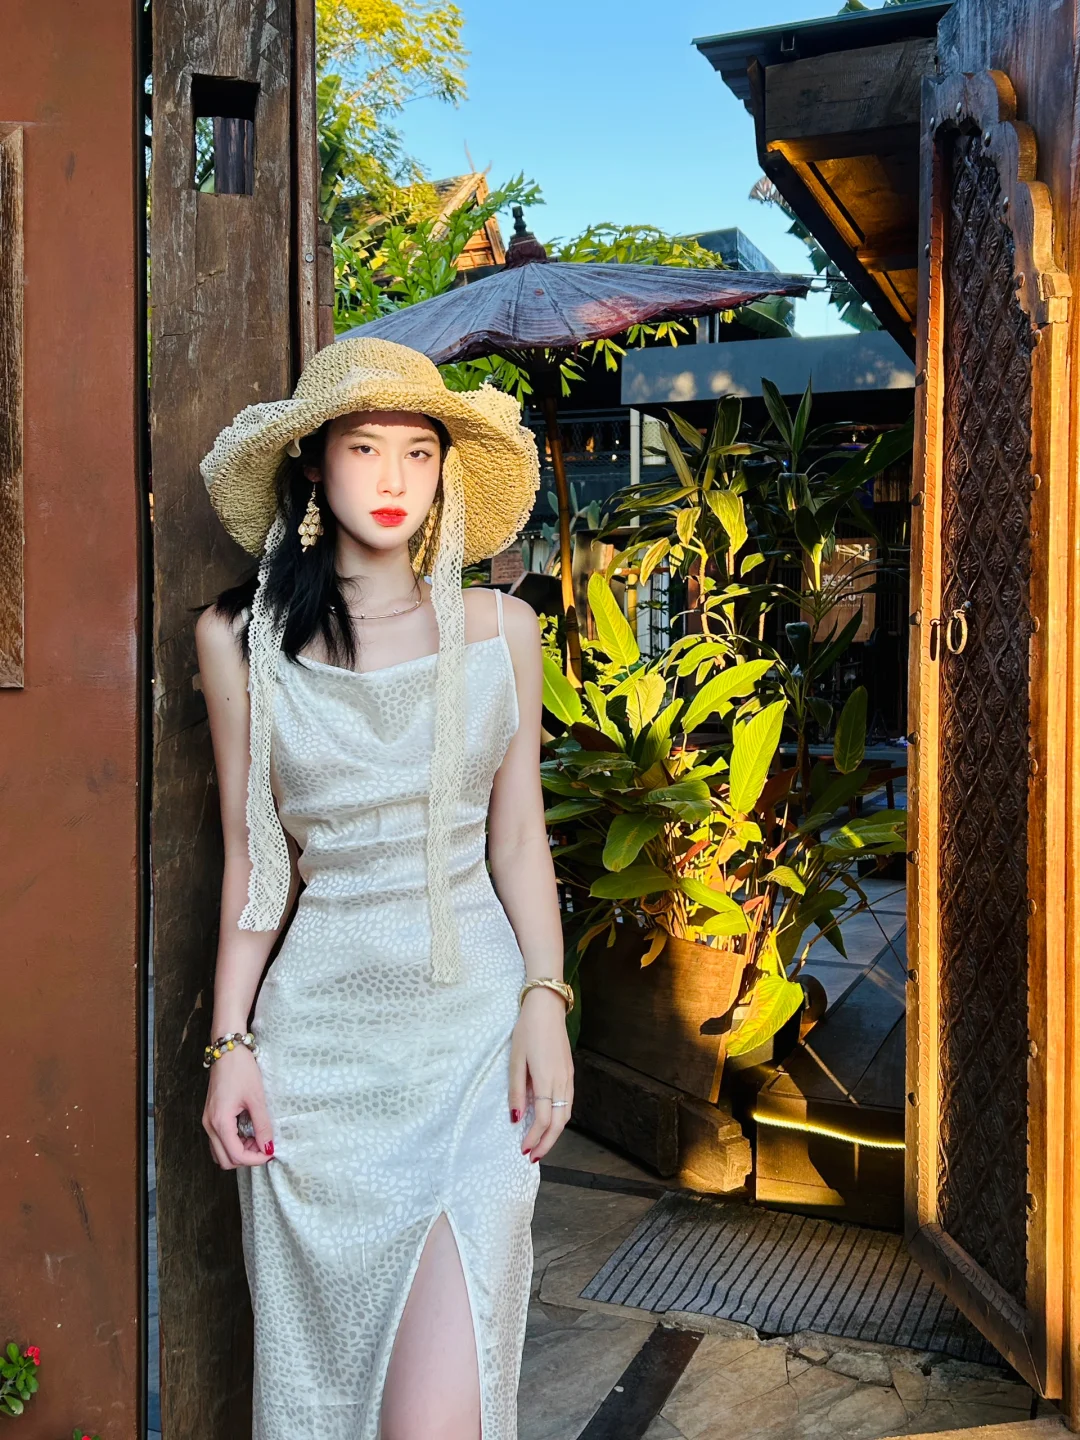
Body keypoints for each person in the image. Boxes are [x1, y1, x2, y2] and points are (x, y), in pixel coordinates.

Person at [193, 338, 574, 1440]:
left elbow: (518, 841)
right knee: (326, 1394)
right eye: (365, 448)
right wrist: (229, 1046)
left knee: (439, 1414)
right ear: (314, 463)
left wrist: (545, 1000)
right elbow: (254, 858)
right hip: (318, 1053)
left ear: (446, 470)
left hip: (469, 1040)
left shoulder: (503, 630)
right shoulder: (240, 639)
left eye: (420, 450)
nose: (396, 477)